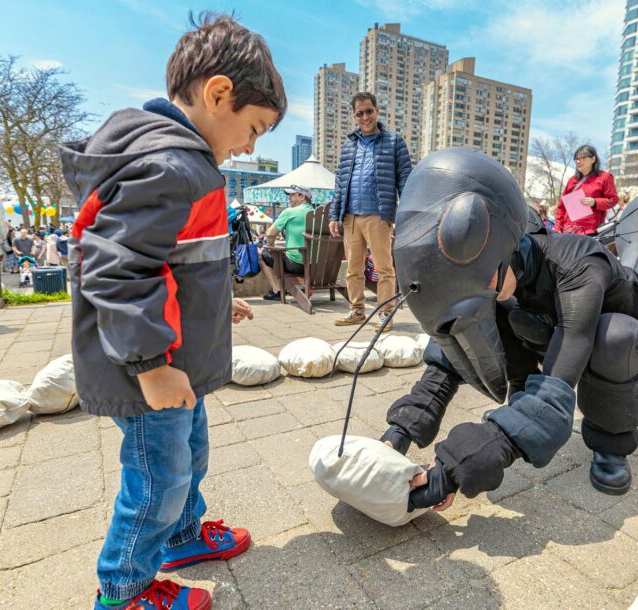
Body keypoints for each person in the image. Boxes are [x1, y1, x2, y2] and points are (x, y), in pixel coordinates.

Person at [59, 13, 285, 610]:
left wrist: (215, 299)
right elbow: (118, 268)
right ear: (218, 94)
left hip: (176, 356)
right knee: (158, 479)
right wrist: (151, 364)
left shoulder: (182, 162)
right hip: (149, 370)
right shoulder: (168, 166)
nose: (251, 145)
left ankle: (183, 538)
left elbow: (176, 258)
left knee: (190, 456)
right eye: (254, 128)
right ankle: (125, 588)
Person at [379, 148, 638, 511]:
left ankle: (613, 438)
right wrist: (401, 430)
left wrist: (459, 467)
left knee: (614, 336)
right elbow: (450, 348)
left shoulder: (579, 266)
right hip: (553, 331)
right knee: (506, 311)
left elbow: (558, 383)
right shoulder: (503, 266)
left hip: (629, 350)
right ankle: (518, 406)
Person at [327, 91, 412, 332]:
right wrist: (335, 215)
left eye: (368, 111)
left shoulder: (394, 142)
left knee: (384, 269)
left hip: (379, 216)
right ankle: (356, 311)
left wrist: (405, 213)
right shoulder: (349, 145)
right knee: (353, 269)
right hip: (350, 217)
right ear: (354, 116)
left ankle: (385, 314)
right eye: (359, 113)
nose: (364, 117)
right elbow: (340, 182)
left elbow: (405, 179)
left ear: (377, 111)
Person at [261, 185, 314, 301]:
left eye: (292, 195)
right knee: (281, 254)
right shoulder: (318, 214)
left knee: (263, 254)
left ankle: (277, 290)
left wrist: (271, 247)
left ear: (302, 196)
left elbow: (270, 234)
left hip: (296, 265)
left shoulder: (290, 212)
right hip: (317, 266)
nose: (289, 198)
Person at [553, 144, 618, 235]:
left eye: (582, 158)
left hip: (590, 231)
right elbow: (562, 207)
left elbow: (613, 200)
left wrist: (595, 202)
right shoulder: (572, 180)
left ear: (593, 159)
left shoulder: (605, 177)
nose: (578, 161)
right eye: (576, 159)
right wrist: (558, 227)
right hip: (568, 230)